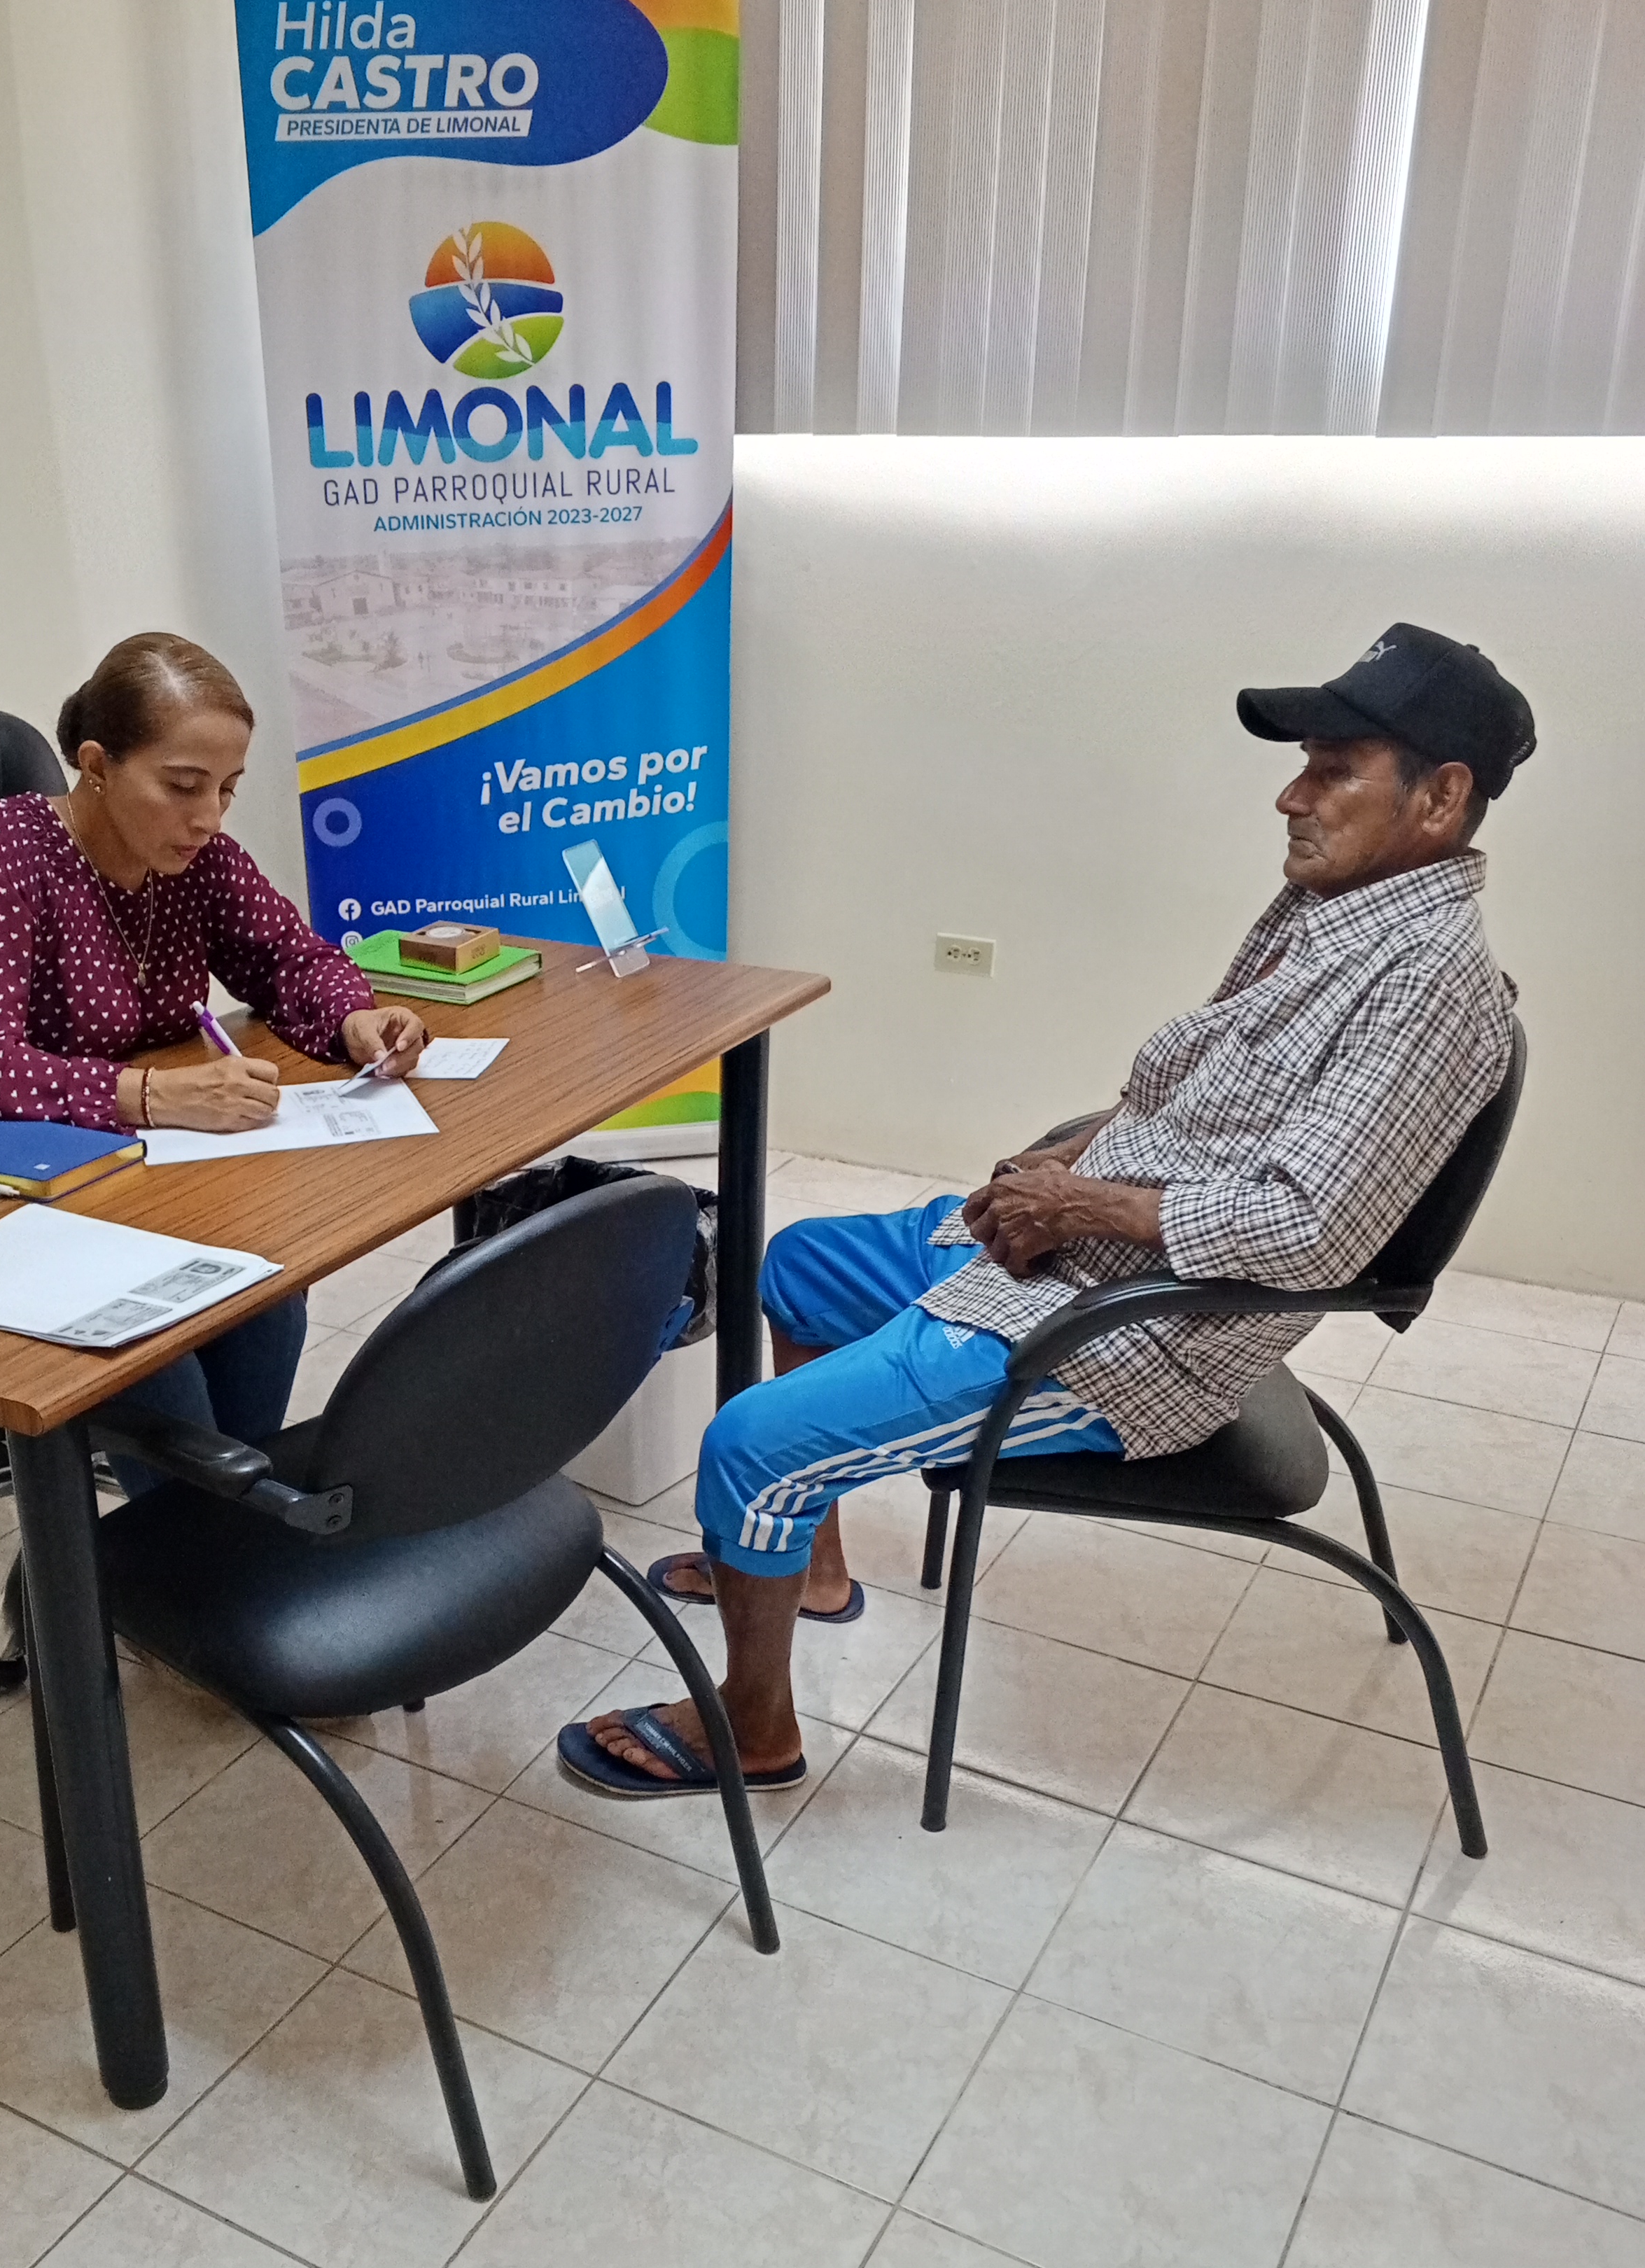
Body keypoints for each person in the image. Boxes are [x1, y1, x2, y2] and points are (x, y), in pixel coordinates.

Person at [559, 621, 1534, 1798]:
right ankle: (807, 1567)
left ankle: (753, 1725)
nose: (1291, 795)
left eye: (1332, 771)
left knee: (751, 1446)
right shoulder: (1333, 915)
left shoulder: (1425, 984)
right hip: (1083, 1265)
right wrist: (1067, 1157)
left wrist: (1079, 1202)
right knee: (801, 1264)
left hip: (1134, 1343)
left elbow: (1308, 1228)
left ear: (1439, 797)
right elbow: (1194, 1096)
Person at [0, 628, 426, 1477]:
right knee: (157, 1365)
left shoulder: (198, 862)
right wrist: (152, 1095)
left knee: (269, 1298)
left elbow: (292, 959)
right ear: (97, 765)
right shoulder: (8, 846)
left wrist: (356, 1018)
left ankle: (213, 1534)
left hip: (148, 1182)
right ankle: (175, 1546)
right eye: (182, 785)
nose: (208, 817)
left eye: (227, 789)